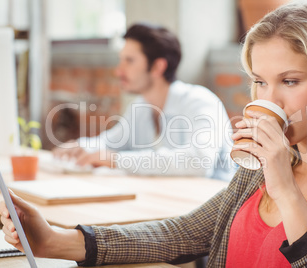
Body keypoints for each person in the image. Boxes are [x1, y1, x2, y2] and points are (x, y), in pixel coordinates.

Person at [0, 2, 307, 267]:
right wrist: (55, 240)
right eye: (260, 82)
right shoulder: (261, 167)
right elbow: (183, 233)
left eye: (290, 81)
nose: (270, 100)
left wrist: (285, 190)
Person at [52, 23, 235, 181]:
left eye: (129, 61)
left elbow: (198, 162)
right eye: (120, 60)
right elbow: (110, 142)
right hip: (168, 204)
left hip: (212, 212)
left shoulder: (200, 102)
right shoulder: (141, 107)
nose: (119, 71)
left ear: (157, 66)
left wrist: (116, 160)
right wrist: (79, 147)